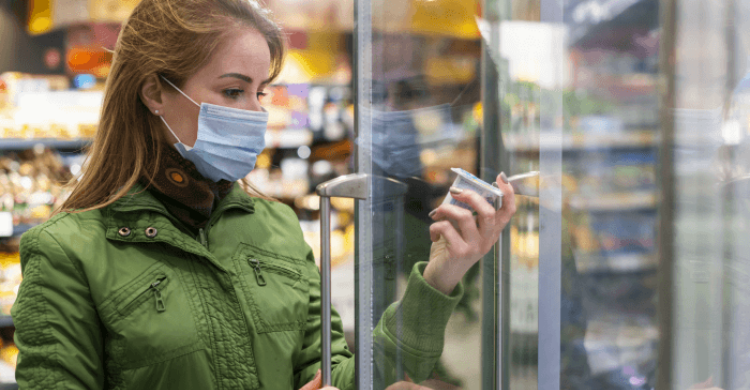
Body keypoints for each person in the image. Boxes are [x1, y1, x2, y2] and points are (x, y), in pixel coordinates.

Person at [9, 0, 517, 389]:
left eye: (261, 92)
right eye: (232, 91)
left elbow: (340, 376)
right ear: (155, 92)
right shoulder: (66, 252)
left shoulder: (275, 227)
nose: (254, 113)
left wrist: (442, 271)